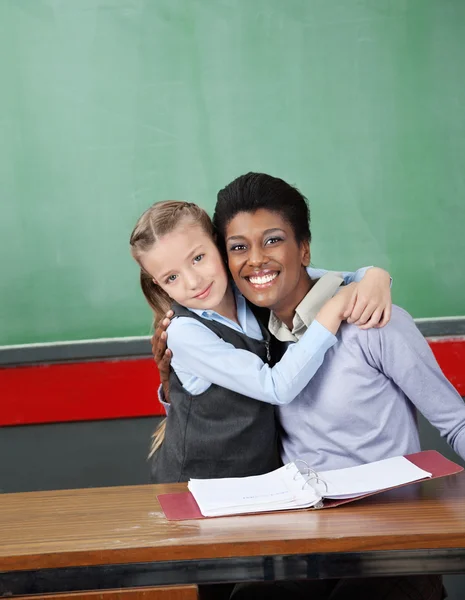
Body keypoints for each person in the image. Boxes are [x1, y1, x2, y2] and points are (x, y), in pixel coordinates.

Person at [154, 172, 465, 600]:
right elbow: (217, 408)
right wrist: (171, 385)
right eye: (239, 247)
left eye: (274, 240)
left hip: (391, 543)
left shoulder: (373, 322)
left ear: (303, 247)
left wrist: (375, 275)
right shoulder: (252, 329)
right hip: (305, 540)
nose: (256, 260)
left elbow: (457, 424)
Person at [130, 200, 391, 485]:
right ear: (158, 284)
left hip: (261, 480)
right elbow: (276, 387)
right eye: (171, 277)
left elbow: (340, 280)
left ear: (219, 244)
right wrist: (335, 309)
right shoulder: (184, 332)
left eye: (198, 258)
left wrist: (376, 277)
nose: (193, 281)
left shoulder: (251, 287)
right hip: (199, 487)